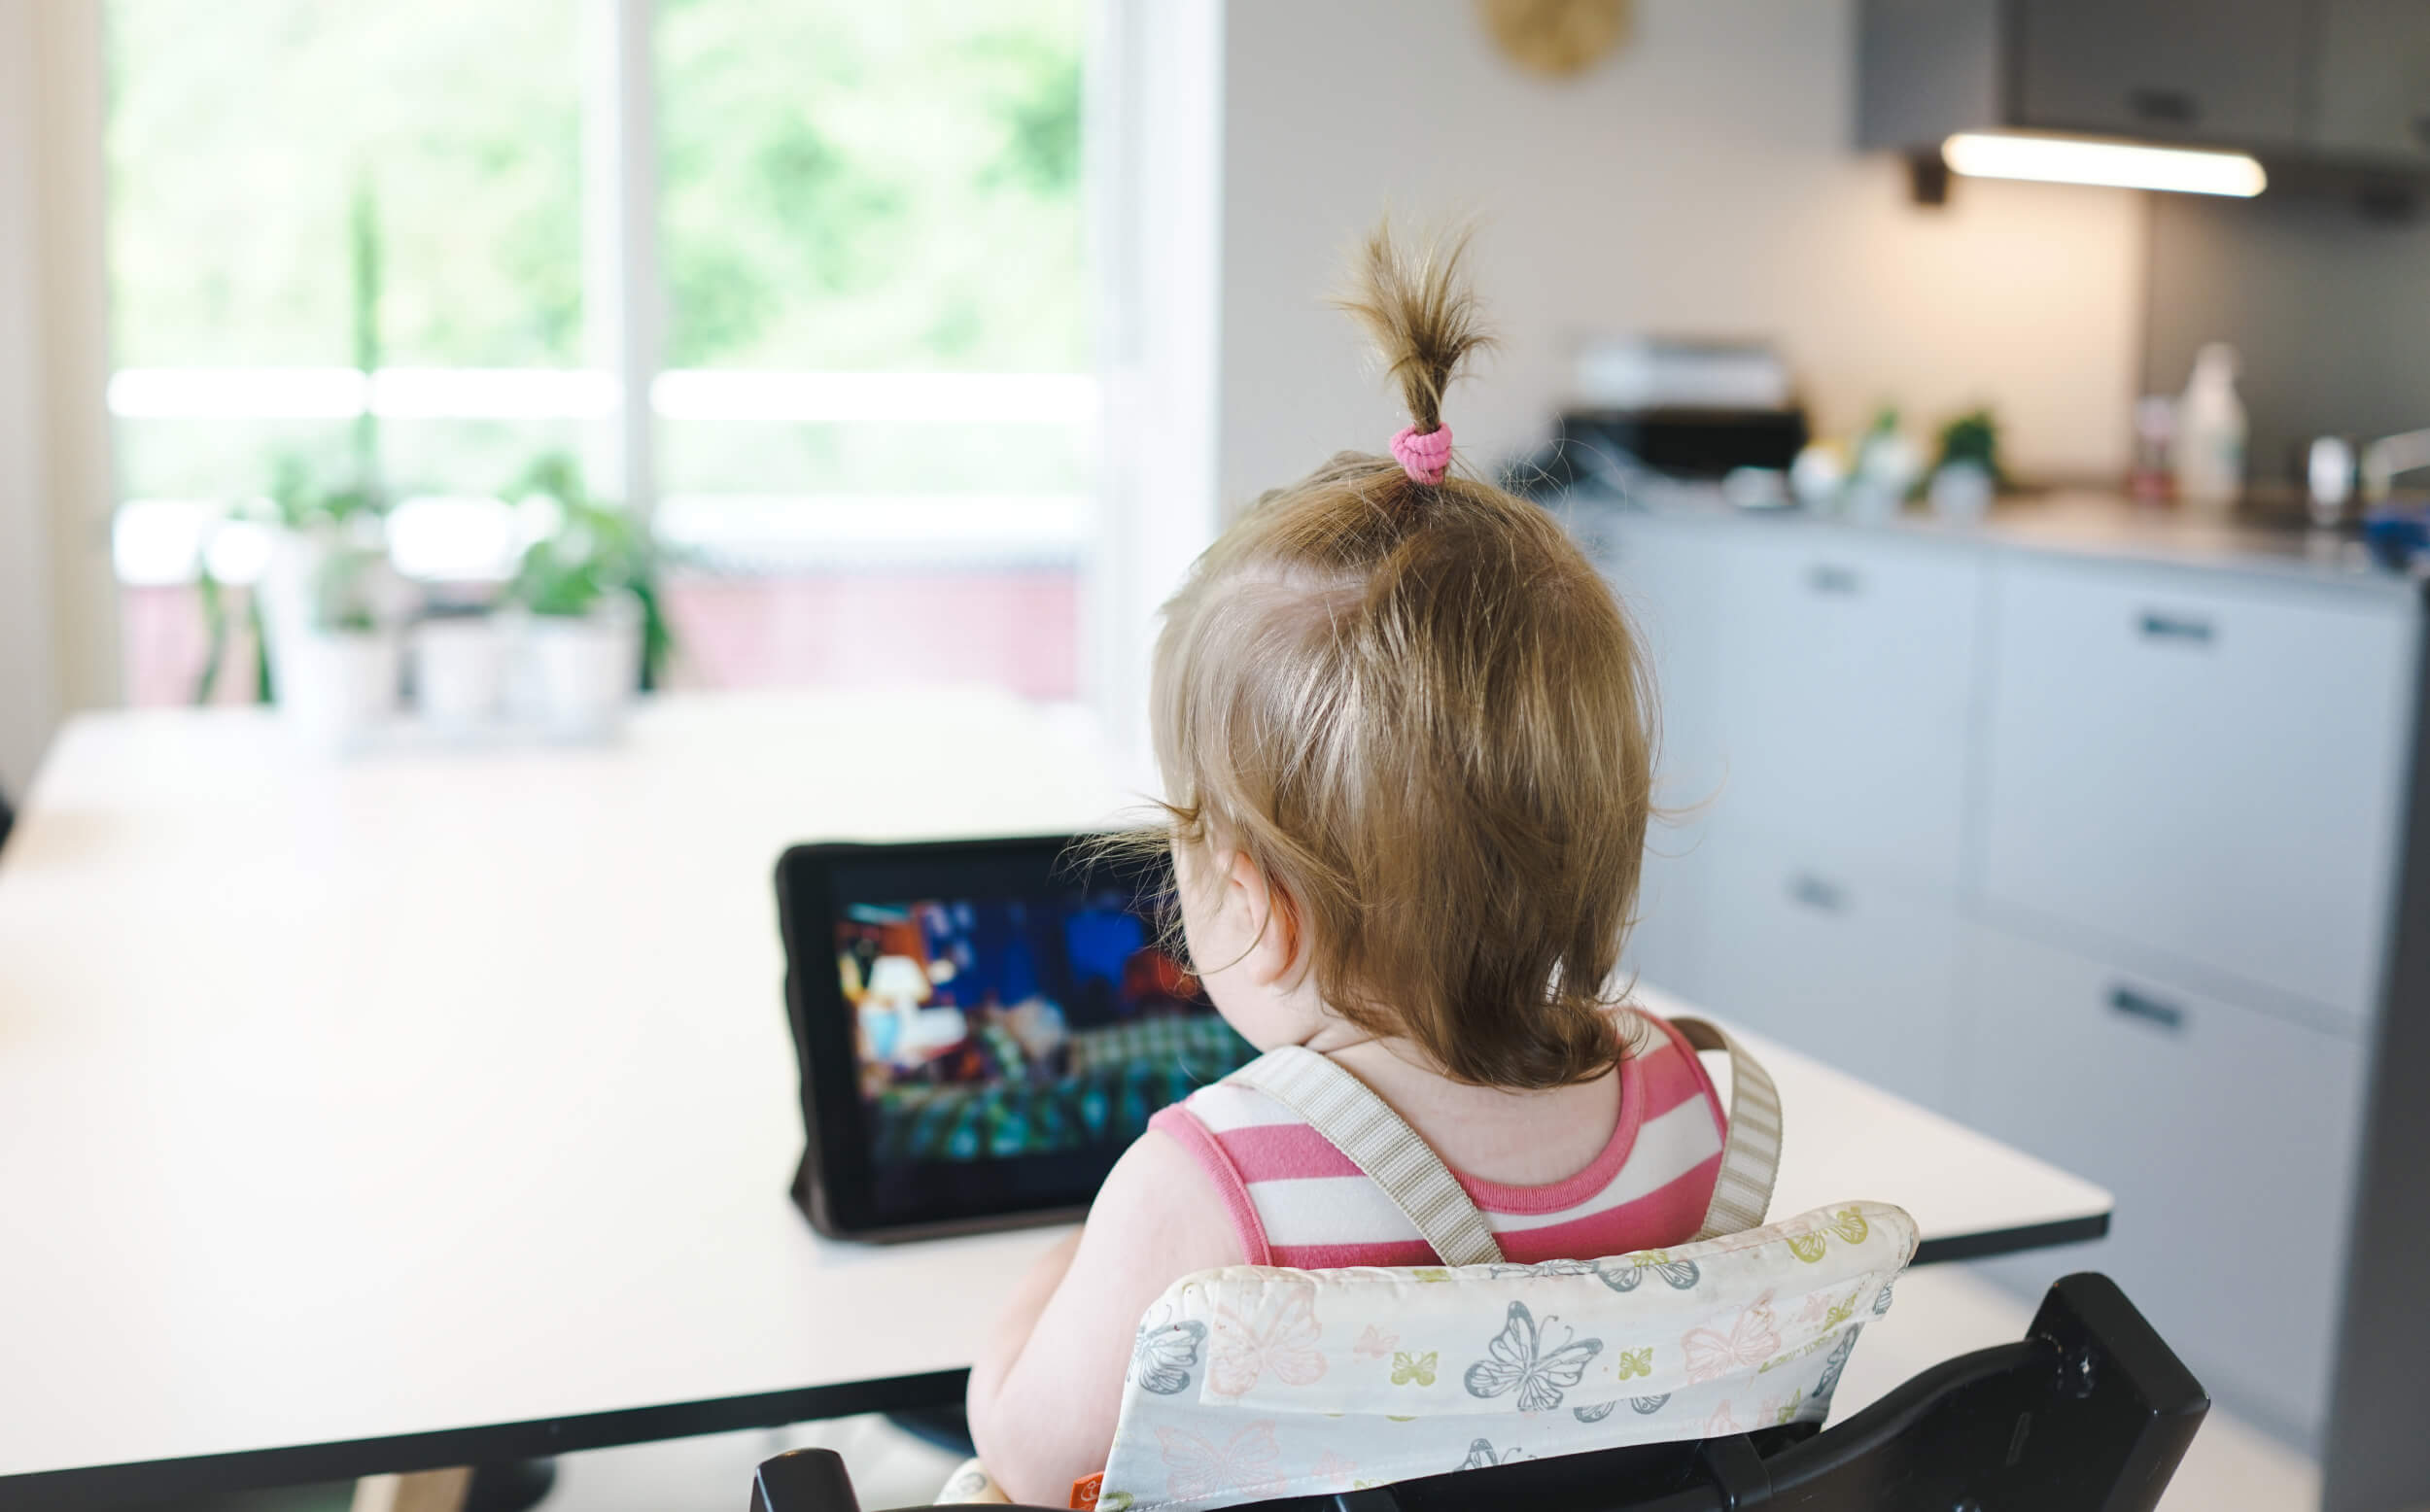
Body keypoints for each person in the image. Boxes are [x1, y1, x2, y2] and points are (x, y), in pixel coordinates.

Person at [964, 223, 1730, 1506]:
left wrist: (1045, 1290)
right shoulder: (1694, 1106)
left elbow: (1035, 1463)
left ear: (1255, 905)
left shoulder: (1204, 1191)